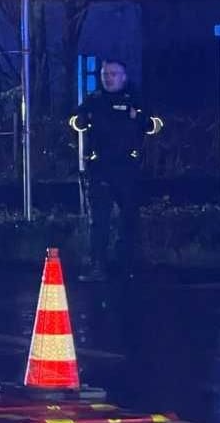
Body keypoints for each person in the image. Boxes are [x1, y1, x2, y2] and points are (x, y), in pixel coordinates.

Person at [69, 60, 162, 281]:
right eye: (104, 74)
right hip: (100, 167)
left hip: (127, 168)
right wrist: (81, 121)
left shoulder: (135, 99)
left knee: (128, 220)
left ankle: (126, 267)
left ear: (123, 76)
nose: (107, 77)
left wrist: (138, 117)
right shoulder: (94, 100)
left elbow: (156, 124)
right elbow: (74, 121)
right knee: (99, 220)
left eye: (112, 73)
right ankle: (97, 266)